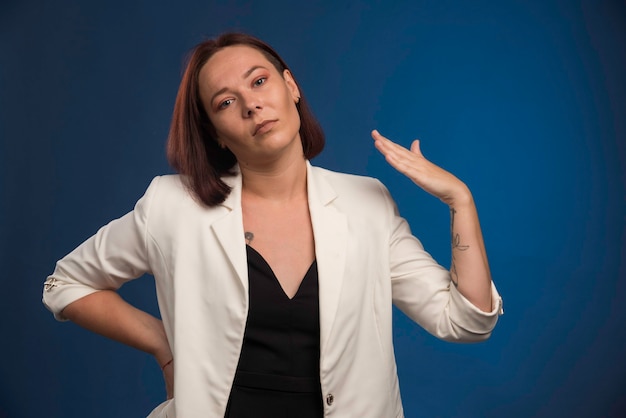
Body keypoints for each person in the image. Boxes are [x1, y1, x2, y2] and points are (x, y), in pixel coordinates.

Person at [43, 32, 503, 418]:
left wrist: (460, 201)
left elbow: (465, 321)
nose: (251, 105)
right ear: (216, 134)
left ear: (291, 86)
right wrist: (163, 344)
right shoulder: (172, 206)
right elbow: (65, 283)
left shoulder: (367, 205)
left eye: (259, 82)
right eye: (226, 102)